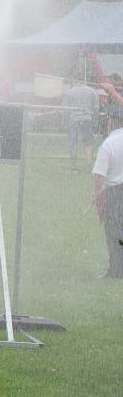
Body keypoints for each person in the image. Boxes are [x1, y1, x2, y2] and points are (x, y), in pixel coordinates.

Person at [92, 111, 123, 277]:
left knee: (114, 230)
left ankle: (116, 270)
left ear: (112, 122)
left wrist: (97, 195)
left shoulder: (108, 144)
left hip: (116, 193)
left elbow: (99, 175)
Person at [63, 79, 99, 171]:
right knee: (88, 143)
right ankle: (89, 165)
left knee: (73, 142)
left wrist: (65, 122)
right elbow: (96, 108)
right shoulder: (92, 91)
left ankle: (74, 167)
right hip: (87, 119)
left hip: (74, 120)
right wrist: (95, 121)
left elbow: (66, 109)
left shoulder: (70, 92)